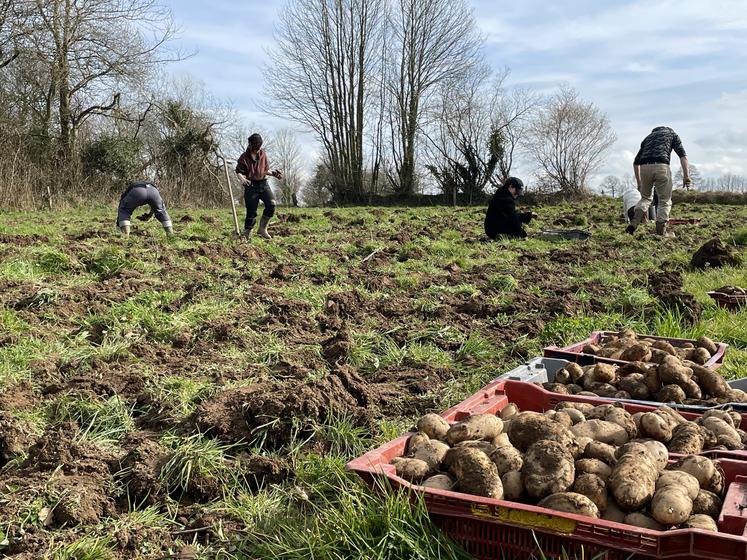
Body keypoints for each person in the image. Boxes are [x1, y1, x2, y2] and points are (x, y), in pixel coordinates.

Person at [626, 126, 690, 238]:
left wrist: (639, 182)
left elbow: (635, 163)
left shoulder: (648, 138)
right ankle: (661, 232)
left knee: (645, 198)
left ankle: (635, 222)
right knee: (664, 201)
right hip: (662, 166)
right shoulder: (672, 135)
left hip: (644, 167)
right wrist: (686, 176)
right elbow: (683, 156)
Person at [235, 133, 282, 239]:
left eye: (258, 147)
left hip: (263, 184)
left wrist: (274, 174)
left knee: (272, 205)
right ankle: (247, 232)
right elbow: (238, 171)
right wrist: (242, 179)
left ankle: (262, 229)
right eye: (255, 147)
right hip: (251, 185)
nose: (257, 149)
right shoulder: (244, 157)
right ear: (250, 145)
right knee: (252, 211)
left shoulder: (263, 155)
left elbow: (264, 171)